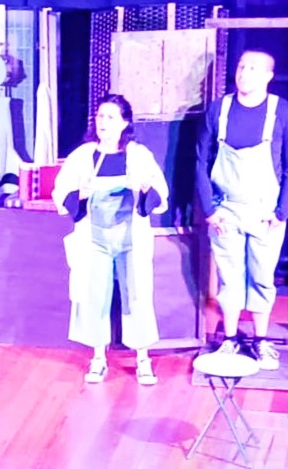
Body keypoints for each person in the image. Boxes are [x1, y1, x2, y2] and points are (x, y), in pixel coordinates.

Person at [194, 50, 288, 370]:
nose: (243, 72)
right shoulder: (219, 110)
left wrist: (282, 212)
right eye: (241, 66)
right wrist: (209, 210)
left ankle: (260, 340)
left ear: (268, 76)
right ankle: (229, 339)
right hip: (225, 210)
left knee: (262, 276)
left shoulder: (283, 113)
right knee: (230, 277)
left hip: (265, 213)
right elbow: (200, 161)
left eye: (253, 68)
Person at [53, 94, 169, 386]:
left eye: (111, 117)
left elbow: (160, 194)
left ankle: (143, 359)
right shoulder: (83, 156)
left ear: (124, 123)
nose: (103, 122)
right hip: (95, 238)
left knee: (137, 295)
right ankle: (98, 358)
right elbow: (61, 192)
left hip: (130, 237)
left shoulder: (139, 155)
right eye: (100, 116)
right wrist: (81, 193)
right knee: (94, 296)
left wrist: (145, 189)